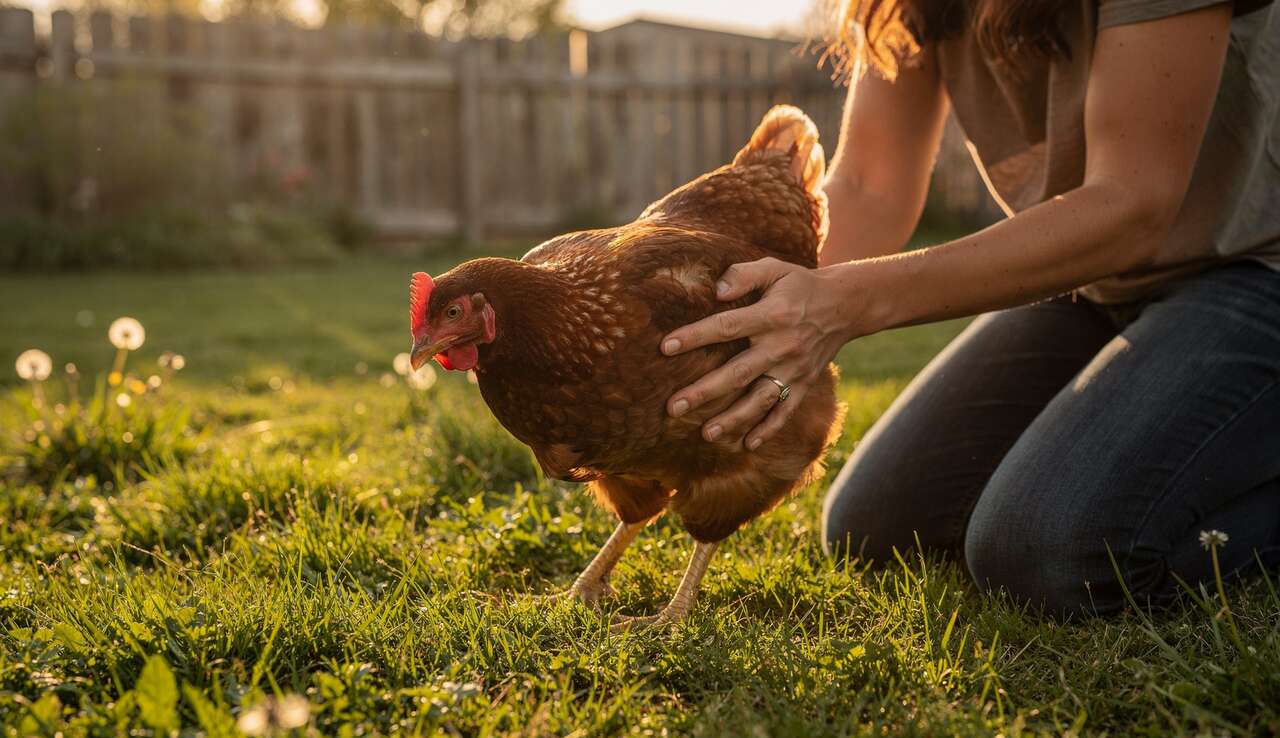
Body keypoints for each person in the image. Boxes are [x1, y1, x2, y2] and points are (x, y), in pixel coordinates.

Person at [658, 0, 1280, 616]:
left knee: (1049, 556)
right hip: (1095, 287)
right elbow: (870, 186)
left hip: (1252, 271)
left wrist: (843, 302)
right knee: (876, 530)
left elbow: (1130, 206)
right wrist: (734, 308)